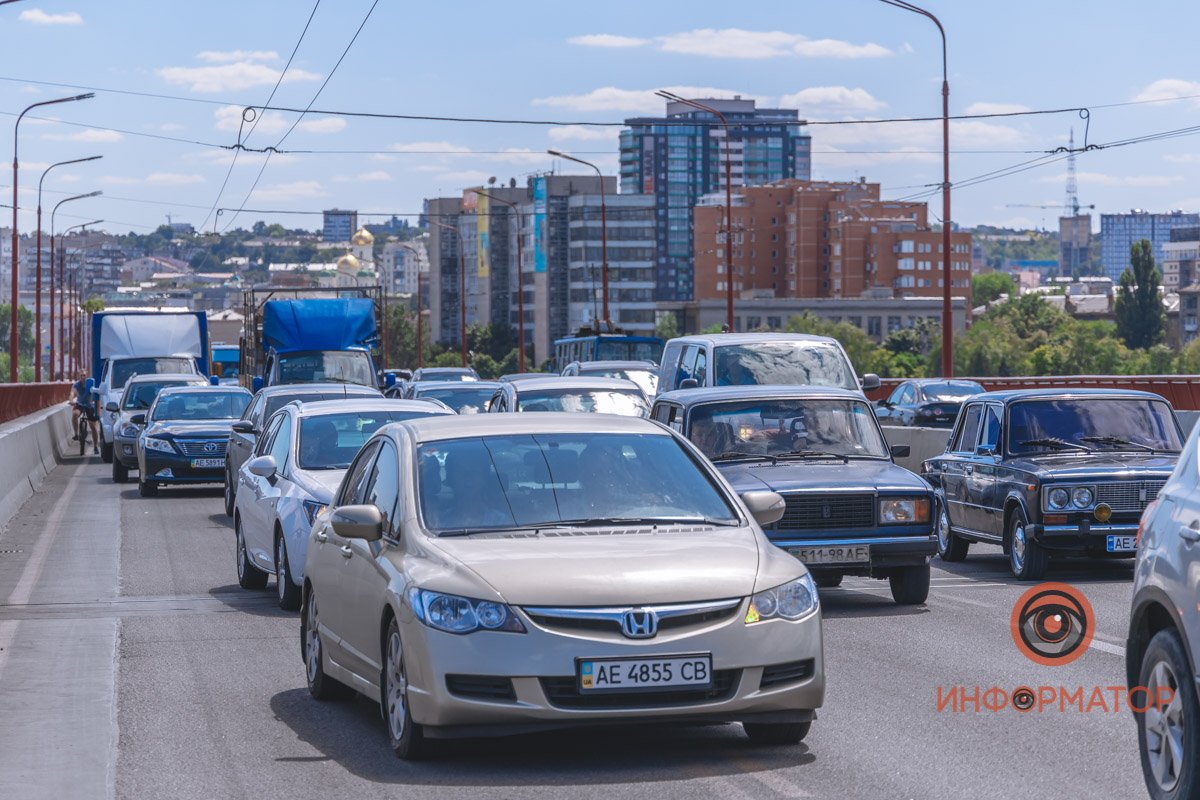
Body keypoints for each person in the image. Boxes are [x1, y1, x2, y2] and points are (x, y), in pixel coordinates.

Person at [71, 369, 99, 454]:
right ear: (79, 376)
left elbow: (97, 393)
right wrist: (71, 400)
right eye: (81, 375)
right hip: (80, 404)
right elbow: (72, 393)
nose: (83, 377)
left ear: (87, 376)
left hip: (90, 405)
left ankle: (95, 446)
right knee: (75, 414)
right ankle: (76, 434)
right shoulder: (76, 384)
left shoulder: (91, 383)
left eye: (84, 375)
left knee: (93, 426)